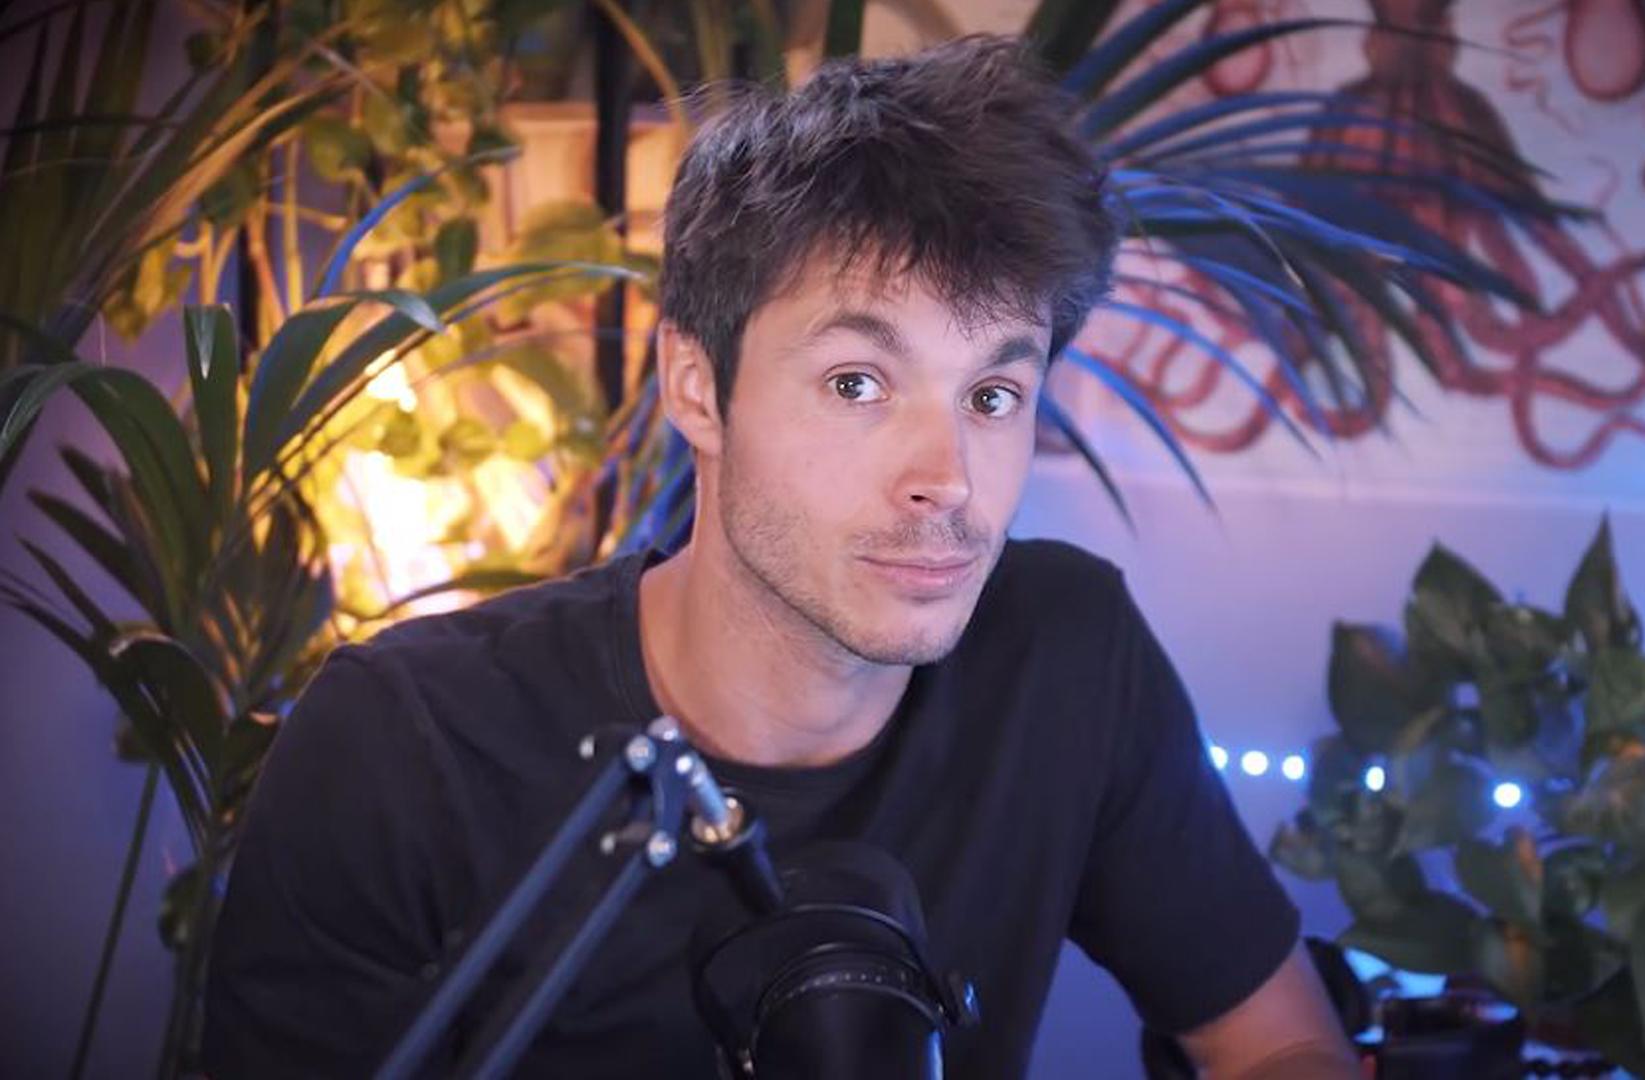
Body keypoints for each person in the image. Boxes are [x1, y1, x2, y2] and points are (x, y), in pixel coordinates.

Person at [205, 34, 1357, 1079]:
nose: (946, 476)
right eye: (857, 383)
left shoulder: (1065, 652)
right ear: (697, 386)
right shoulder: (403, 742)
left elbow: (1284, 1044)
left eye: (994, 392)